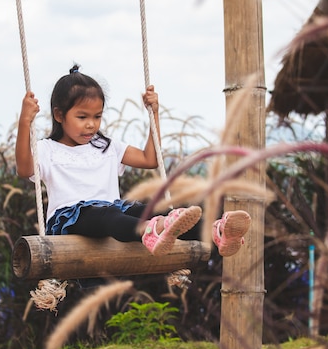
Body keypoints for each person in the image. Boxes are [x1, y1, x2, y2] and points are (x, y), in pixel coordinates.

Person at [15, 65, 250, 257]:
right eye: (82, 117)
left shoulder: (106, 146)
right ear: (59, 115)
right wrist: (25, 122)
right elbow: (24, 169)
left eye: (97, 117)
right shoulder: (48, 149)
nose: (91, 124)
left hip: (110, 211)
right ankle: (152, 230)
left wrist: (154, 113)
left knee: (148, 210)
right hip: (70, 220)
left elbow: (150, 159)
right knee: (108, 216)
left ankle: (215, 231)